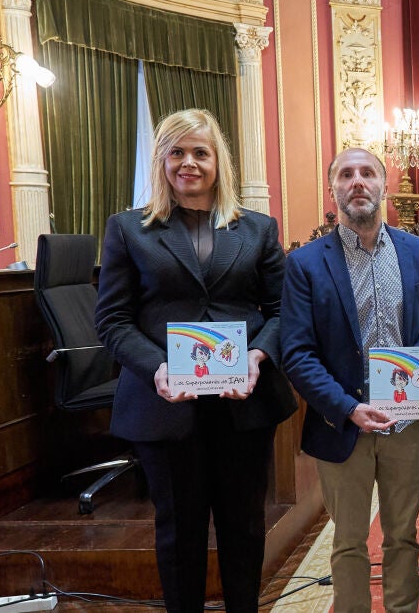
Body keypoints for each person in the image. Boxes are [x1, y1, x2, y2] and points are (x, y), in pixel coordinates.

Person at [95, 108, 296, 613]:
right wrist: (158, 368)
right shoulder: (129, 229)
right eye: (177, 152)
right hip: (164, 404)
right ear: (162, 161)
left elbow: (283, 311)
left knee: (244, 527)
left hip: (243, 402)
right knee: (179, 529)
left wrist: (257, 355)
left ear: (217, 161)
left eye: (200, 152)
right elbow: (113, 320)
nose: (189, 163)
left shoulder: (258, 228)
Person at [280, 147, 419, 613]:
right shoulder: (305, 263)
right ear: (333, 190)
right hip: (342, 423)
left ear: (384, 186)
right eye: (346, 175)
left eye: (367, 173)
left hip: (406, 422)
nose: (357, 182)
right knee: (348, 540)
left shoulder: (417, 251)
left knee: (403, 535)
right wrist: (347, 407)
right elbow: (297, 353)